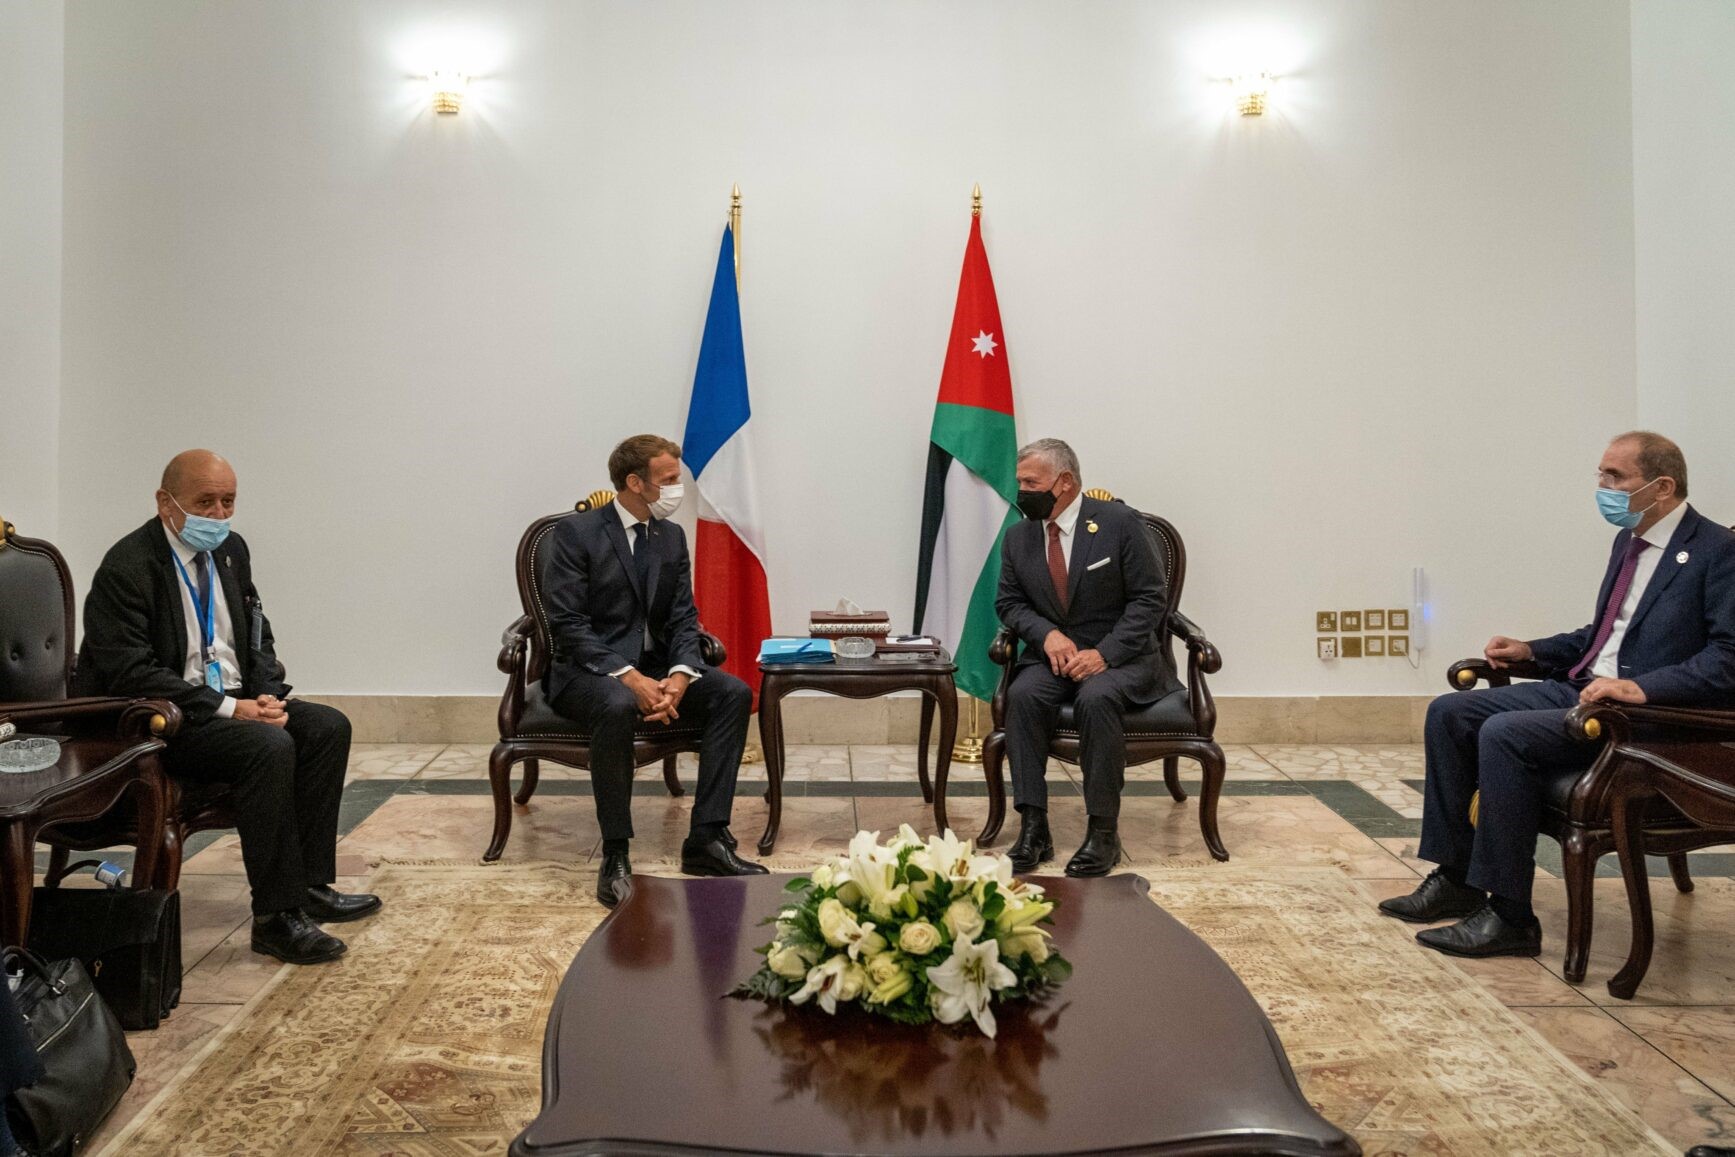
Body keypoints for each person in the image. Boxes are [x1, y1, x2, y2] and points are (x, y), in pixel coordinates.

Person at [1384, 431, 1735, 957]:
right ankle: (1456, 877)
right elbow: (1606, 637)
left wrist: (1640, 687)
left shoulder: (1718, 551)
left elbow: (1728, 658)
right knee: (1449, 713)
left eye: (1615, 477)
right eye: (1601, 474)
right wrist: (1531, 650)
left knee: (1504, 734)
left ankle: (1511, 917)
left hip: (1648, 715)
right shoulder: (1631, 542)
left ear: (1662, 487)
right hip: (1586, 691)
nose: (1603, 487)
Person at [74, 450, 377, 965]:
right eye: (205, 503)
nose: (218, 515)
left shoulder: (231, 550)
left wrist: (266, 694)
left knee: (327, 726)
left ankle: (309, 886)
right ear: (165, 502)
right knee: (267, 746)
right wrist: (229, 709)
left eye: (228, 502)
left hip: (231, 701)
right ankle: (276, 918)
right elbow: (131, 672)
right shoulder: (127, 567)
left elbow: (257, 633)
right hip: (162, 719)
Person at [542, 434, 766, 906]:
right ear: (634, 482)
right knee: (617, 704)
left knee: (732, 694)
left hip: (657, 668)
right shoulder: (576, 534)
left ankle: (706, 838)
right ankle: (616, 853)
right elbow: (568, 625)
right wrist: (629, 676)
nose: (676, 488)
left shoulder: (670, 536)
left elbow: (683, 617)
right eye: (668, 479)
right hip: (587, 672)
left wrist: (681, 674)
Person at [995, 438, 1180, 876]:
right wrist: (1047, 635)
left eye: (1030, 482)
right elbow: (1009, 603)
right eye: (1020, 482)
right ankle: (1034, 827)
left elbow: (1150, 599)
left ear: (1064, 482)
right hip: (1054, 658)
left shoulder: (1119, 523)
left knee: (1096, 698)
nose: (1021, 491)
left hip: (1123, 657)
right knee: (1023, 696)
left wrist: (1105, 653)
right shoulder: (1019, 536)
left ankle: (1103, 832)